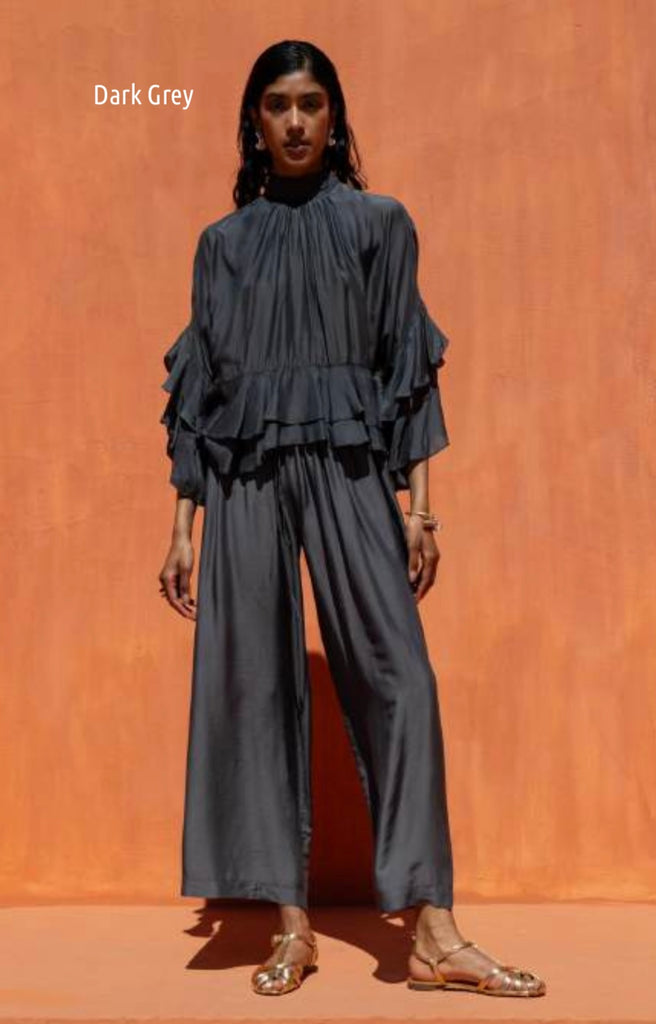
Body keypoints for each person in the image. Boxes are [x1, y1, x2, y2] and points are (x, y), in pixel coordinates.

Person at [158, 40, 546, 999]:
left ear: (335, 120)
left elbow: (405, 364)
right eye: (277, 105)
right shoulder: (221, 245)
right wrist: (183, 526)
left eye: (311, 104)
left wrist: (421, 508)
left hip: (348, 464)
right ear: (254, 122)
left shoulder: (380, 225)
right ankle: (291, 926)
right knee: (256, 687)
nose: (294, 121)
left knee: (400, 679)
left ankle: (434, 932)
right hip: (246, 476)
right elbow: (200, 392)